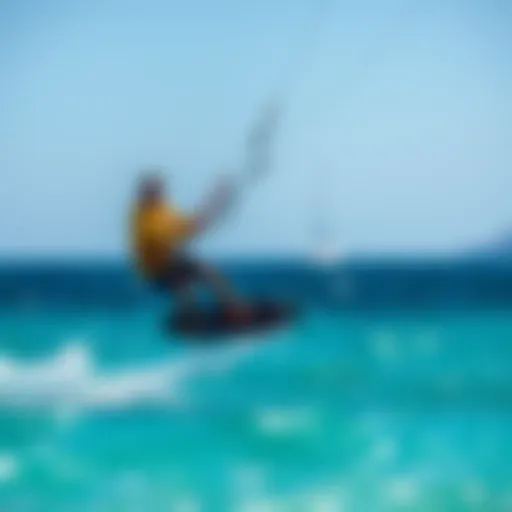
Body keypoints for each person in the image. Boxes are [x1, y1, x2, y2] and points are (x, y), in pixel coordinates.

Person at [130, 170, 250, 322]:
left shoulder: (162, 208)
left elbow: (189, 224)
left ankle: (191, 314)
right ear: (146, 192)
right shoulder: (142, 217)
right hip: (156, 270)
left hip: (169, 261)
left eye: (160, 189)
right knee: (202, 271)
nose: (160, 193)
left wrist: (216, 204)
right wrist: (216, 202)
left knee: (187, 276)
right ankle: (233, 310)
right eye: (155, 190)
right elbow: (174, 233)